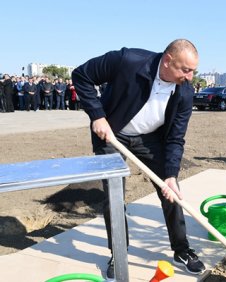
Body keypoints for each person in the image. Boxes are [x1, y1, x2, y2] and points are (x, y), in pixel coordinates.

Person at [71, 39, 205, 279]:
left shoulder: (184, 92)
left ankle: (182, 249)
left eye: (193, 70)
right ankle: (118, 253)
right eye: (185, 70)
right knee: (114, 197)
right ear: (167, 61)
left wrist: (171, 174)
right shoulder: (127, 61)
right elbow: (81, 75)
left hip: (150, 140)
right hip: (112, 133)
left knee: (171, 191)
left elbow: (176, 138)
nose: (190, 76)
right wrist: (97, 115)